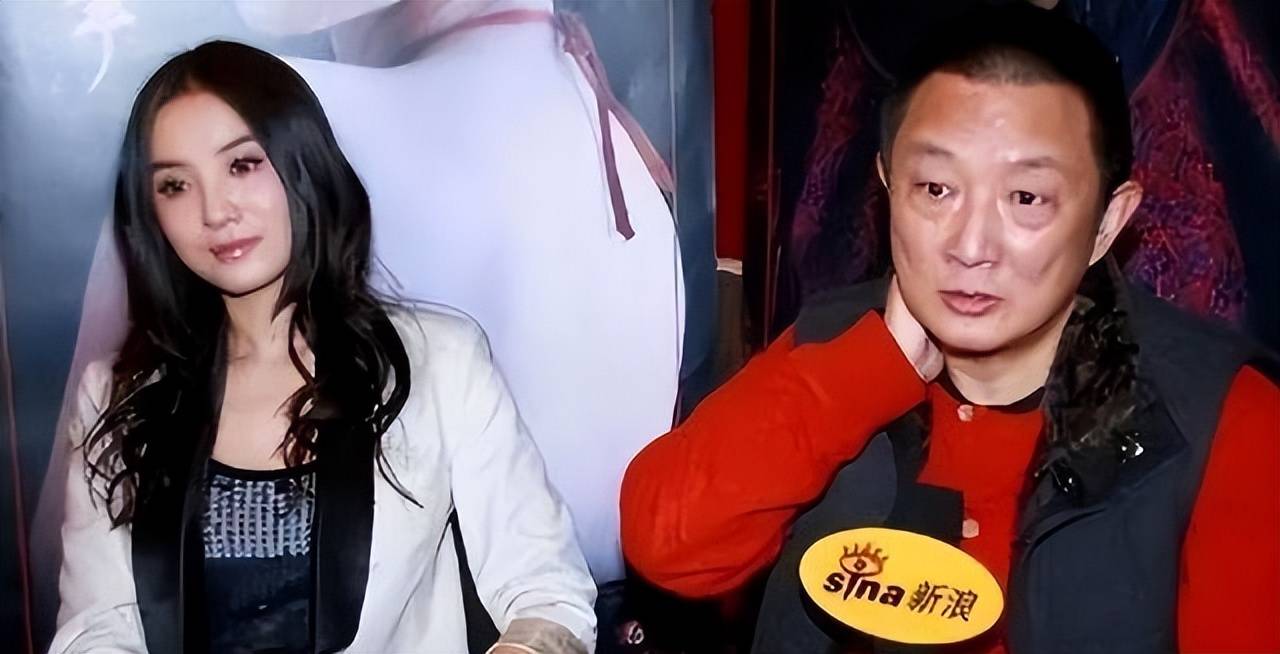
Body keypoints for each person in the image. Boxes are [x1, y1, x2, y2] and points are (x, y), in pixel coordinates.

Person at [620, 5, 1279, 653]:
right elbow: (667, 546)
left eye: (1026, 198)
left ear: (1107, 223)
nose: (970, 246)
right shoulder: (834, 344)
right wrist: (868, 372)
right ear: (888, 184)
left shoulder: (1221, 416)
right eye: (936, 189)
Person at [50, 41, 595, 654]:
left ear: (302, 163)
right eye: (175, 184)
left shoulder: (439, 362)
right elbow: (97, 628)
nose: (215, 211)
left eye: (242, 165)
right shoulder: (118, 396)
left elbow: (548, 594)